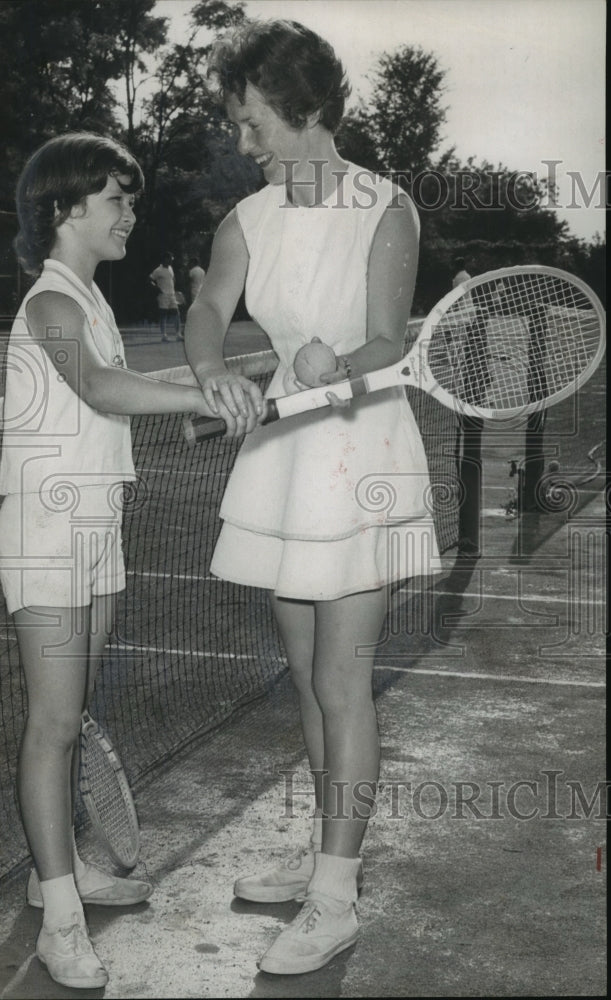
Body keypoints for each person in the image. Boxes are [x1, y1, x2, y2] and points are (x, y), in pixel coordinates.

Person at [184, 19, 441, 975]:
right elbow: (209, 306)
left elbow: (386, 340)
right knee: (301, 678)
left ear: (311, 112)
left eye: (254, 125)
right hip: (284, 452)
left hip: (359, 452)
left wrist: (345, 360)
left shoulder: (387, 206)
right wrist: (212, 372)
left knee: (342, 684)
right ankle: (324, 860)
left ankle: (335, 897)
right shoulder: (245, 219)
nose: (242, 143)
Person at [0, 133, 235, 991]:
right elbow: (101, 390)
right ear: (65, 211)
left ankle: (46, 872)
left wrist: (229, 391)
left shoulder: (92, 301)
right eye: (116, 200)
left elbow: (131, 402)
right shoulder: (50, 304)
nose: (129, 213)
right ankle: (61, 922)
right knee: (54, 727)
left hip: (98, 527)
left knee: (70, 715)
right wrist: (206, 390)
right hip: (46, 534)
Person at [149, 250, 182, 341]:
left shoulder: (170, 268)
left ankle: (178, 335)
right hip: (163, 295)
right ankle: (164, 335)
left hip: (172, 295)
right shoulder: (158, 270)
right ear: (164, 259)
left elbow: (173, 279)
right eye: (170, 259)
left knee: (176, 313)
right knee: (163, 315)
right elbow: (150, 279)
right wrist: (156, 288)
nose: (171, 261)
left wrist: (174, 290)